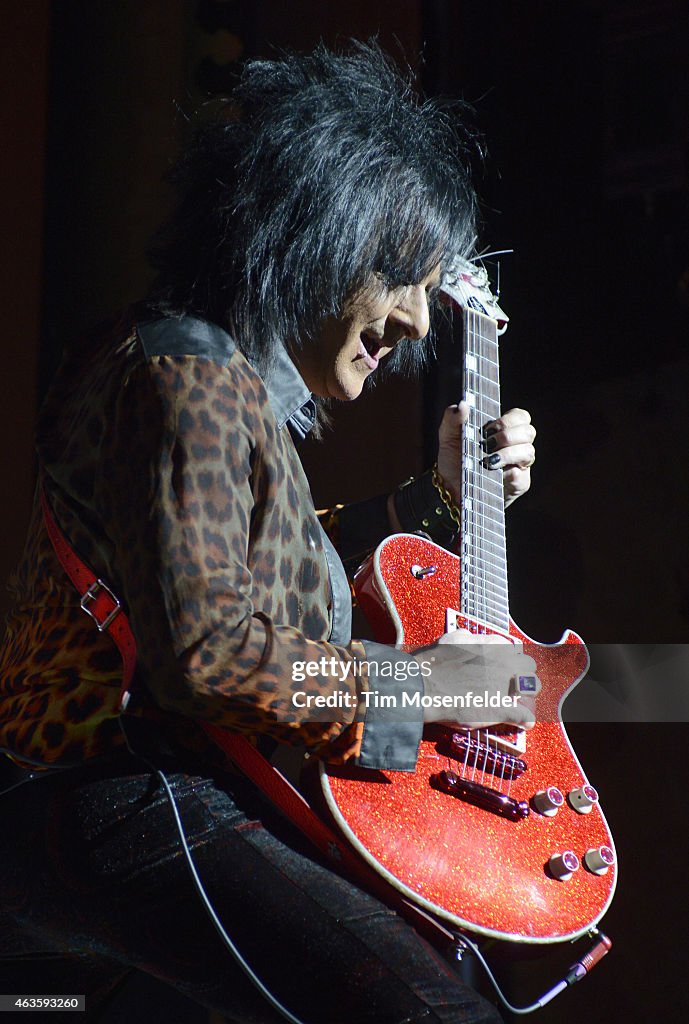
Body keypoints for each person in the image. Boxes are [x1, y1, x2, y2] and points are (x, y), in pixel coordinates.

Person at [0, 41, 536, 1023]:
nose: (418, 319)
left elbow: (256, 574)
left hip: (154, 804)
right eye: (401, 276)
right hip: (118, 799)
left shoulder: (220, 387)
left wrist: (437, 497)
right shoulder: (184, 372)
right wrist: (425, 684)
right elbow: (208, 652)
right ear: (319, 227)